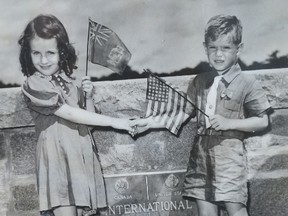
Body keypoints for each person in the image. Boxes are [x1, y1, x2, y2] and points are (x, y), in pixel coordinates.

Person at [131, 14, 271, 216]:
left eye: (226, 48)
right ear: (205, 48)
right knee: (205, 212)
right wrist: (149, 123)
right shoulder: (199, 81)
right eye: (213, 47)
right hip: (200, 156)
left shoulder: (247, 83)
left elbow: (262, 121)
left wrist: (229, 123)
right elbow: (183, 112)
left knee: (236, 209)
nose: (218, 54)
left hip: (229, 157)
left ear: (238, 49)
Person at [19, 14, 133, 216]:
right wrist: (118, 122)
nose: (43, 60)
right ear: (28, 54)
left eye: (50, 53)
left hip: (79, 159)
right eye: (36, 53)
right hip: (57, 160)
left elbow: (88, 124)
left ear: (61, 52)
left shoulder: (69, 83)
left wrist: (87, 97)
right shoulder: (34, 84)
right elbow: (71, 114)